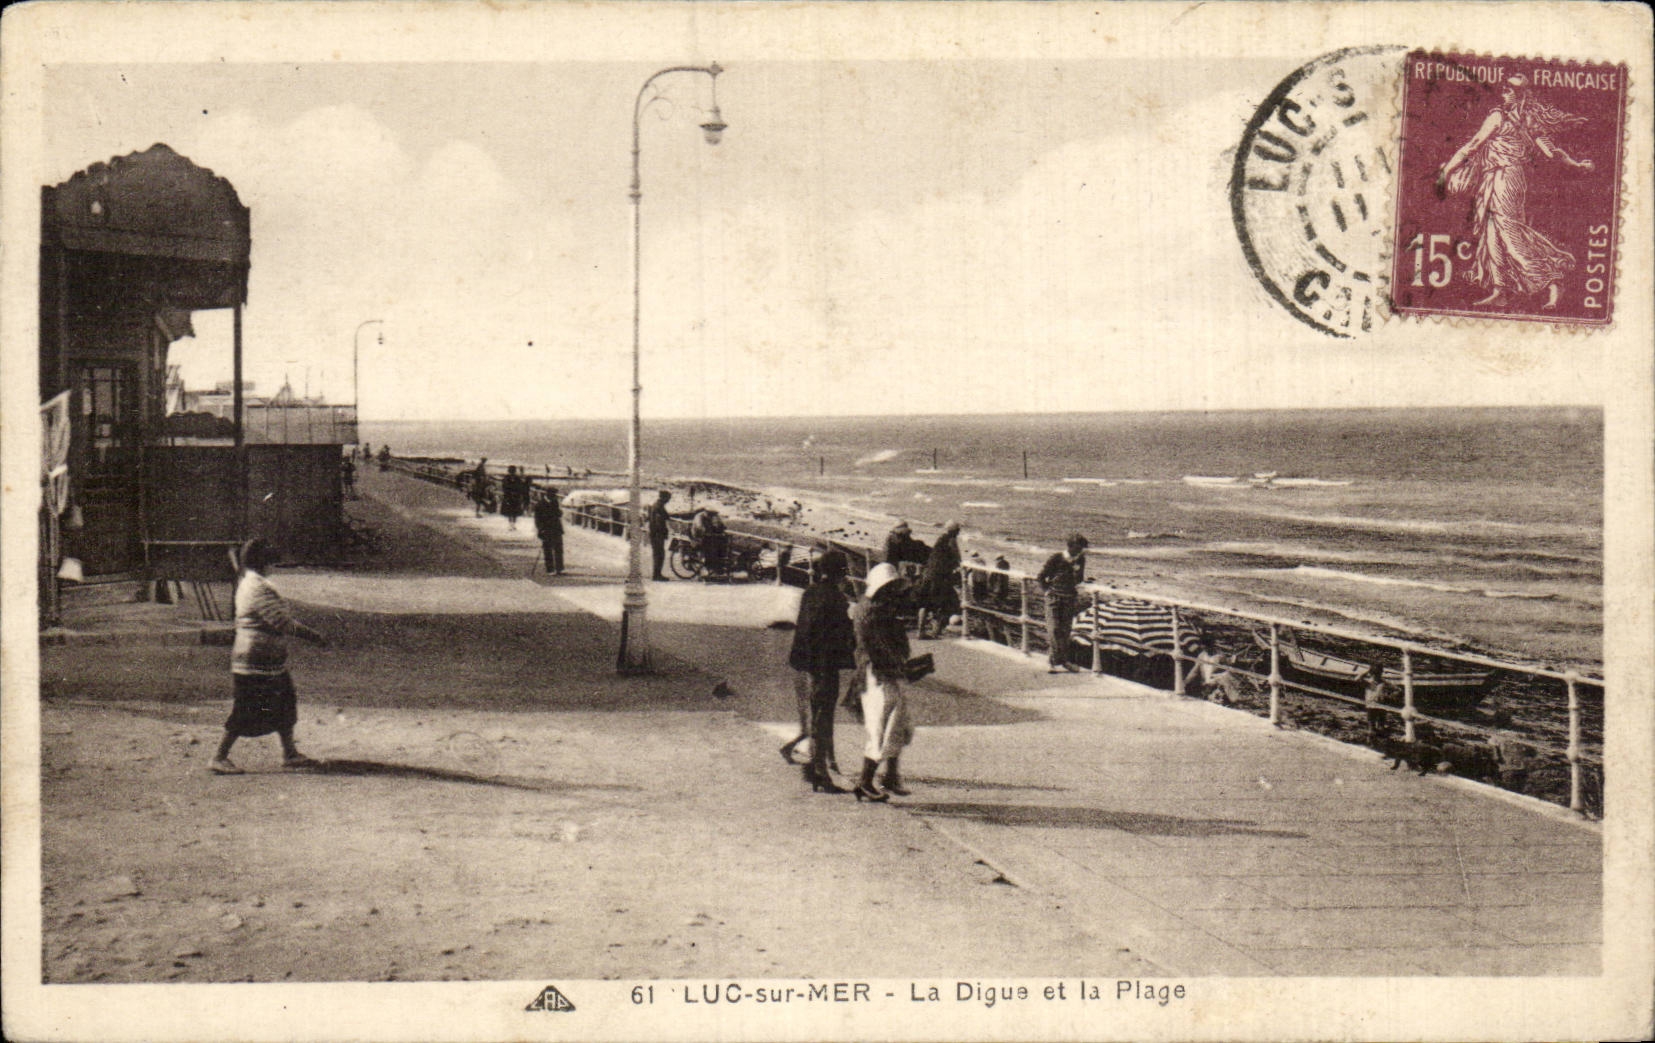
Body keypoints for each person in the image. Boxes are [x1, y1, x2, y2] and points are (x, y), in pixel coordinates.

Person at [1436, 74, 1595, 309]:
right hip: (1501, 177)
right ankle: (1501, 289)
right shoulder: (1528, 121)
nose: (1504, 92)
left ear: (1518, 94)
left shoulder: (1498, 117)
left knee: (1510, 233)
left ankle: (1551, 279)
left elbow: (1473, 145)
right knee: (1492, 233)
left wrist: (1446, 172)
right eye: (1504, 89)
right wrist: (1576, 164)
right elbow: (1553, 152)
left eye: (1509, 90)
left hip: (1504, 177)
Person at [210, 538, 330, 775]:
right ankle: (218, 757)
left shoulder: (250, 582)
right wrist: (314, 636)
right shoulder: (258, 587)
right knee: (245, 710)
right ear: (265, 563)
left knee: (285, 704)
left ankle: (290, 754)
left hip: (267, 661)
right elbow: (282, 622)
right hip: (255, 660)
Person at [786, 550, 857, 793]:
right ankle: (819, 771)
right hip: (824, 665)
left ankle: (818, 767)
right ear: (841, 573)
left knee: (815, 714)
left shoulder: (811, 592)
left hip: (804, 663)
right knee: (823, 717)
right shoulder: (836, 598)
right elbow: (841, 635)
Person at [852, 563, 914, 802]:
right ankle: (866, 781)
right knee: (884, 725)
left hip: (880, 672)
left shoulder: (872, 608)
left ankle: (889, 776)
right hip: (877, 674)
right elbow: (879, 648)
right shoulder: (873, 613)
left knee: (895, 722)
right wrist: (901, 664)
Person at [1037, 533, 1088, 674]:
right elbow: (1041, 577)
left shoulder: (1081, 560)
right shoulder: (1057, 558)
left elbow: (1079, 579)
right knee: (1054, 629)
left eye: (1082, 549)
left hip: (1069, 598)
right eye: (1078, 548)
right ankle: (1053, 661)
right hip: (1054, 598)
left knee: (1065, 631)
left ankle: (1063, 661)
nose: (1080, 551)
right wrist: (1047, 591)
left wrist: (1076, 573)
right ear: (1070, 546)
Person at [915, 520, 963, 639]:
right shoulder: (951, 540)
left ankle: (920, 631)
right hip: (939, 577)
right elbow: (957, 558)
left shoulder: (940, 540)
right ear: (955, 531)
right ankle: (935, 632)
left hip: (928, 574)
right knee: (943, 603)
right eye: (958, 530)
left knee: (924, 603)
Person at [646, 490, 689, 581]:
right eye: (668, 498)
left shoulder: (656, 506)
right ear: (664, 498)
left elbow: (666, 516)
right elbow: (659, 521)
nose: (668, 500)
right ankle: (657, 575)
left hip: (655, 533)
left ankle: (657, 574)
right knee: (659, 554)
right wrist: (663, 531)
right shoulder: (658, 507)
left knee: (658, 554)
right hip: (657, 534)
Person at [690, 507, 729, 577]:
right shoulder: (699, 516)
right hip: (698, 534)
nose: (711, 516)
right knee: (709, 546)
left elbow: (720, 523)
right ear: (706, 512)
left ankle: (720, 563)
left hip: (709, 534)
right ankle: (709, 565)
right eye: (710, 514)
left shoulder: (714, 516)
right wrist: (706, 531)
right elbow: (700, 526)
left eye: (713, 514)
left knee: (722, 541)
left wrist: (722, 527)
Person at [534, 487, 565, 575]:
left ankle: (559, 568)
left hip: (556, 529)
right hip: (546, 529)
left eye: (554, 495)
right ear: (547, 494)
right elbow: (537, 519)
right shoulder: (540, 504)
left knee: (558, 549)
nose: (554, 496)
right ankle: (550, 569)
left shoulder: (555, 502)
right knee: (547, 550)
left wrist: (559, 512)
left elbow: (558, 514)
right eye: (553, 494)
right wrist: (540, 529)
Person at [500, 465, 527, 530]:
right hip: (509, 496)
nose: (512, 472)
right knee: (510, 511)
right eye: (511, 471)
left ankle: (513, 525)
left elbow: (521, 486)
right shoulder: (506, 478)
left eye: (513, 471)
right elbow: (504, 486)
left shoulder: (517, 478)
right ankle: (511, 525)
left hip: (515, 496)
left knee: (514, 511)